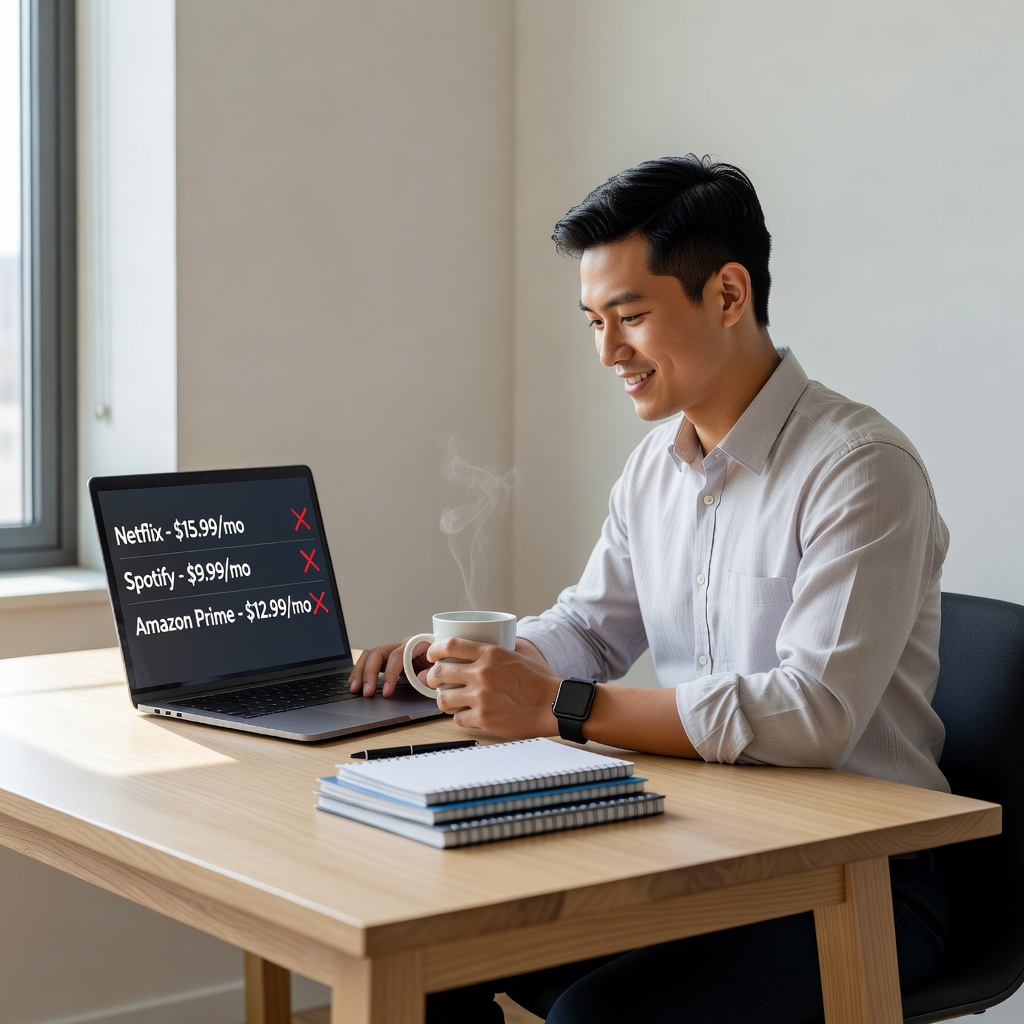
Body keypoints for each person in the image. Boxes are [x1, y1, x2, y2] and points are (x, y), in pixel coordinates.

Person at [348, 154, 951, 1024]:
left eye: (630, 317)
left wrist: (559, 707)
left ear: (729, 295)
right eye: (593, 321)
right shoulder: (653, 471)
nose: (607, 353)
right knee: (426, 951)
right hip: (698, 840)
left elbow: (811, 714)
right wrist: (470, 664)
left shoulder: (859, 469)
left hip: (862, 876)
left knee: (599, 1015)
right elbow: (590, 631)